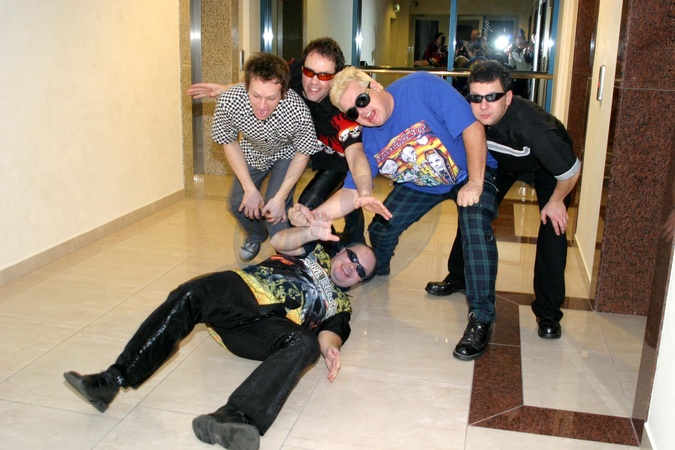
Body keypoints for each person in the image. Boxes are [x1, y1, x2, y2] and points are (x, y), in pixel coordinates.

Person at [63, 213, 377, 450]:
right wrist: (309, 231)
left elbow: (330, 334)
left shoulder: (341, 306)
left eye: (360, 271)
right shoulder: (316, 250)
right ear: (340, 251)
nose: (351, 267)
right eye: (352, 257)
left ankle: (233, 418)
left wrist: (331, 349)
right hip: (242, 290)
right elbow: (282, 241)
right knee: (191, 293)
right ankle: (112, 380)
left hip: (265, 329)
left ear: (359, 282)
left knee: (305, 344)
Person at [292, 67, 500, 361]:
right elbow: (352, 193)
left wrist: (476, 183)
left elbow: (472, 128)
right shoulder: (370, 140)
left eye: (362, 101)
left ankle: (481, 316)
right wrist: (314, 215)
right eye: (353, 113)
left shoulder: (421, 86)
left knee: (474, 224)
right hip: (423, 186)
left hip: (471, 170)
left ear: (375, 86)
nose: (362, 113)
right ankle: (379, 268)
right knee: (380, 229)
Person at [425, 61, 581, 340]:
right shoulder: (469, 115)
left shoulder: (533, 126)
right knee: (472, 206)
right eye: (476, 98)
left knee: (553, 228)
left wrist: (557, 201)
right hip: (504, 163)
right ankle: (459, 277)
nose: (483, 106)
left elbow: (570, 171)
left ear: (508, 97)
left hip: (548, 169)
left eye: (493, 97)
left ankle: (548, 312)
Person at [189, 38, 383, 248]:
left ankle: (349, 242)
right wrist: (226, 89)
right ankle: (330, 242)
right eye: (309, 72)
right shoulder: (296, 73)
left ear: (335, 76)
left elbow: (354, 153)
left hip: (340, 157)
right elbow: (264, 81)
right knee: (320, 205)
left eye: (324, 75)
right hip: (314, 148)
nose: (314, 81)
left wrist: (364, 191)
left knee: (318, 203)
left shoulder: (342, 107)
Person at [210, 52, 319, 262]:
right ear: (247, 87)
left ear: (283, 92)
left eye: (271, 98)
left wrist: (279, 198)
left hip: (286, 153)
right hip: (252, 150)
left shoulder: (297, 110)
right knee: (237, 204)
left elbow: (303, 152)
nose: (262, 105)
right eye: (256, 95)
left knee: (276, 211)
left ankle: (286, 260)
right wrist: (249, 189)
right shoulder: (229, 100)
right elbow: (229, 141)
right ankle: (256, 235)